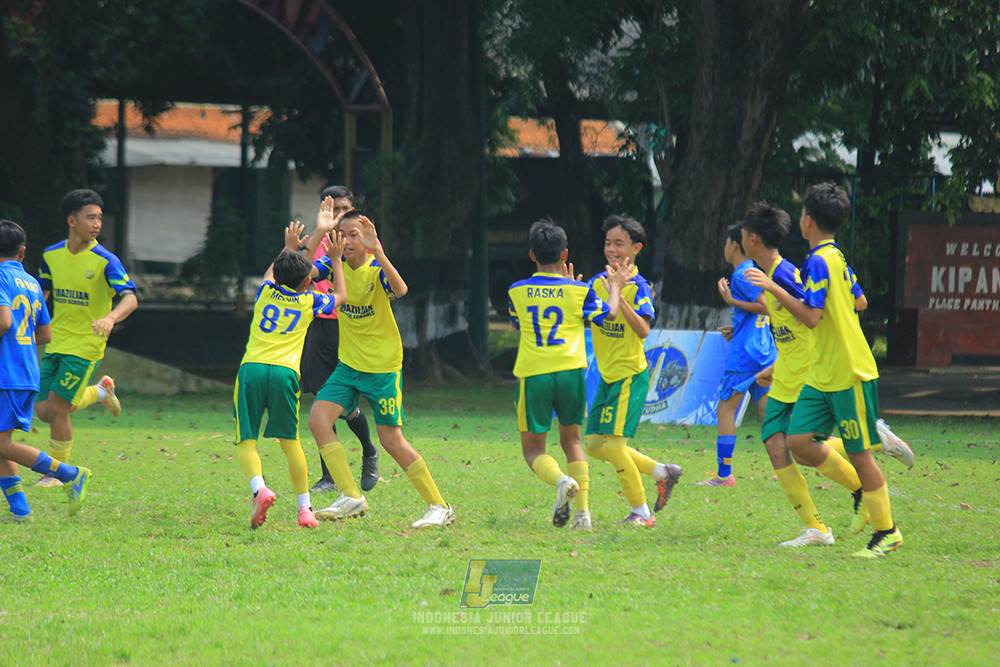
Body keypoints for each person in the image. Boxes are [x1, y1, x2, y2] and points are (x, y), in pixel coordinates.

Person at [746, 182, 904, 558]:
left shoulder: (818, 261)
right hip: (822, 372)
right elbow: (860, 301)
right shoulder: (835, 258)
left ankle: (887, 531)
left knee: (860, 454)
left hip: (847, 369)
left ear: (809, 222)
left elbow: (812, 318)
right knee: (797, 441)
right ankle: (873, 451)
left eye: (802, 212)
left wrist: (773, 287)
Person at [307, 210, 455, 529]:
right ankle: (351, 496)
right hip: (348, 366)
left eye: (353, 235)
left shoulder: (376, 269)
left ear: (367, 238)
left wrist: (380, 252)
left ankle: (439, 506)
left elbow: (400, 289)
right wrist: (318, 234)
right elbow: (302, 273)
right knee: (319, 419)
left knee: (391, 440)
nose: (345, 241)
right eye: (341, 234)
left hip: (382, 367)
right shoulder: (334, 264)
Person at [508, 219, 622, 529]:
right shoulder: (580, 290)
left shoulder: (516, 291)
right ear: (565, 254)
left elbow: (520, 324)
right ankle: (583, 515)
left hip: (535, 374)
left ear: (532, 255)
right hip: (572, 372)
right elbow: (609, 315)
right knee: (573, 442)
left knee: (533, 449)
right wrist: (614, 289)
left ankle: (560, 481)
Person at [234, 222, 347, 529]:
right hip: (285, 374)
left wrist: (289, 246)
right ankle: (305, 509)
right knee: (290, 442)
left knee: (247, 441)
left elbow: (276, 270)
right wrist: (335, 259)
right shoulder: (310, 301)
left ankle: (260, 489)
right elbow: (340, 296)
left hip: (252, 369)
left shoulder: (265, 292)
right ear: (308, 282)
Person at [584, 215, 683, 528]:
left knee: (614, 446)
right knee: (594, 446)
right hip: (607, 376)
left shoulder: (640, 287)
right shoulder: (596, 283)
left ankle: (642, 513)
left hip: (630, 375)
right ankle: (661, 472)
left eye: (619, 243)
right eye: (608, 243)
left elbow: (642, 330)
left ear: (636, 248)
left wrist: (620, 292)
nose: (611, 249)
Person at [0, 220, 92, 522]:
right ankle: (20, 511)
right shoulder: (32, 282)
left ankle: (70, 474)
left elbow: (3, 322)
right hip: (25, 371)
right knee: (2, 445)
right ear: (23, 252)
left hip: (6, 374)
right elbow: (45, 334)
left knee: (1, 444)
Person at [301, 186, 378, 495]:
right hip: (319, 326)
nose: (339, 214)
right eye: (333, 209)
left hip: (352, 329)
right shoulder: (317, 242)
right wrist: (318, 237)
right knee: (322, 400)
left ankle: (369, 450)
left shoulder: (364, 239)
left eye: (345, 208)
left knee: (346, 406)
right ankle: (330, 476)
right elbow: (302, 273)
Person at [697, 223, 776, 486]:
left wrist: (731, 302)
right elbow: (759, 312)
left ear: (733, 245)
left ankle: (724, 475)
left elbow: (765, 308)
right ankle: (788, 467)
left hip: (746, 356)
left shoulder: (743, 273)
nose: (724, 248)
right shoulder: (754, 271)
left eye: (726, 243)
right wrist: (738, 326)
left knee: (725, 410)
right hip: (764, 351)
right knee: (769, 413)